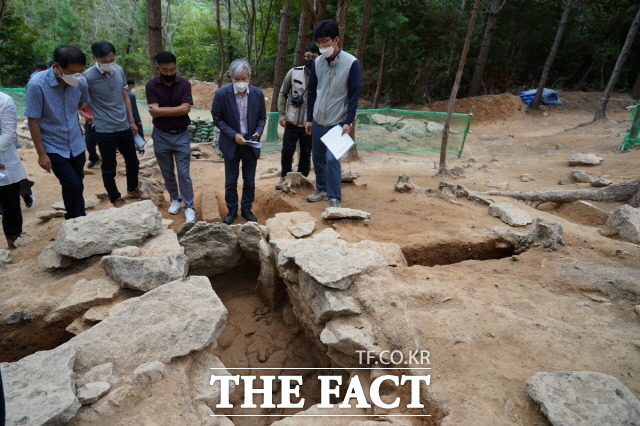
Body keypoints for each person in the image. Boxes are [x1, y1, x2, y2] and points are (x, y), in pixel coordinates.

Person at [25, 45, 89, 220]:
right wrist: (41, 154)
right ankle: (74, 219)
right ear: (57, 66)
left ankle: (80, 216)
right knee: (71, 183)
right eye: (72, 72)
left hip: (75, 141)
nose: (76, 75)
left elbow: (81, 104)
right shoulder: (37, 85)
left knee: (78, 182)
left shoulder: (80, 82)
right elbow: (33, 120)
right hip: (53, 144)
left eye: (80, 71)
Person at [83, 40, 147, 208]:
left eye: (112, 60)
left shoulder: (118, 70)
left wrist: (132, 121)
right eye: (105, 61)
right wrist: (89, 115)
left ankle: (133, 189)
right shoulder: (87, 77)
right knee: (109, 166)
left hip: (124, 126)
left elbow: (124, 96)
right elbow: (80, 103)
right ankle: (115, 197)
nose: (109, 64)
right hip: (104, 130)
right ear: (95, 58)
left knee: (133, 161)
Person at [305, 19, 361, 208]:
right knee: (318, 157)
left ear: (336, 40)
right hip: (318, 119)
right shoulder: (318, 63)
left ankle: (334, 196)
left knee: (331, 158)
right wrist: (309, 118)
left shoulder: (352, 63)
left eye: (326, 42)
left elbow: (354, 95)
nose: (322, 46)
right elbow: (312, 91)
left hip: (338, 121)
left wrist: (348, 121)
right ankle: (321, 189)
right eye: (319, 43)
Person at [211, 59, 266, 225]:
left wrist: (258, 132)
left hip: (250, 143)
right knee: (231, 180)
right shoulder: (222, 94)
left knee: (249, 179)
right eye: (237, 79)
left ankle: (247, 208)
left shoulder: (257, 93)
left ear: (249, 76)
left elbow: (262, 118)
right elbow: (217, 118)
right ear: (231, 78)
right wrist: (233, 135)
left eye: (244, 78)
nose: (241, 82)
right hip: (231, 143)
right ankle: (232, 209)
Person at [145, 51, 196, 223]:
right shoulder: (151, 85)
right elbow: (155, 112)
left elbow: (185, 109)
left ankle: (189, 206)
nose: (169, 73)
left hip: (181, 135)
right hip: (161, 136)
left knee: (184, 173)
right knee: (167, 172)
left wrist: (161, 111)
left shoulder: (184, 84)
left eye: (172, 69)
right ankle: (175, 199)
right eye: (165, 70)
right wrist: (175, 110)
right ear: (157, 68)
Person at [275, 42, 320, 190]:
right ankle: (284, 177)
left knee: (306, 153)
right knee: (287, 150)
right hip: (292, 121)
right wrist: (282, 114)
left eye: (314, 57)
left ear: (319, 57)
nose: (310, 60)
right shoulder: (293, 72)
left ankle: (303, 178)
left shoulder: (323, 75)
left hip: (311, 124)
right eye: (307, 56)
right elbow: (282, 93)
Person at [0, 92, 28, 249]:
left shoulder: (4, 101)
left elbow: (8, 133)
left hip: (3, 159)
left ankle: (13, 238)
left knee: (9, 201)